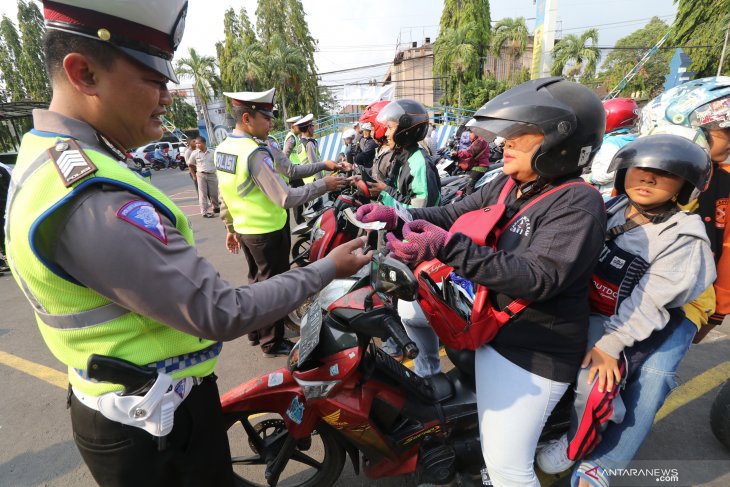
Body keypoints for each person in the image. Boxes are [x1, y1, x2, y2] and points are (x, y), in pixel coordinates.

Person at [2, 2, 371, 485]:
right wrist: (328, 269)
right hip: (154, 424)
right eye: (153, 82)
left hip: (141, 397)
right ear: (85, 73)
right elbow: (220, 311)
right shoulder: (91, 194)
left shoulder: (51, 158)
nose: (167, 99)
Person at [358, 77, 607, 485]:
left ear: (561, 143)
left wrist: (447, 248)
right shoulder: (511, 184)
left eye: (520, 135)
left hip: (533, 352)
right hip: (489, 329)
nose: (506, 143)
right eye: (507, 135)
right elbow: (452, 215)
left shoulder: (578, 203)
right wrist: (399, 218)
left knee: (508, 469)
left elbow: (539, 278)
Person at [538, 77, 730, 487]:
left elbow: (655, 296)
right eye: (717, 133)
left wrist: (611, 343)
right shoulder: (617, 203)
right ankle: (584, 416)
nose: (649, 178)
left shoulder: (685, 228)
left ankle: (600, 465)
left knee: (653, 378)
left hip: (675, 300)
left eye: (666, 172)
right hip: (612, 299)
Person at [215, 89, 351, 357]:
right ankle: (272, 341)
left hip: (245, 229)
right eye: (266, 118)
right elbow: (285, 197)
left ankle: (255, 331)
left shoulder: (224, 149)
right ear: (247, 118)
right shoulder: (253, 153)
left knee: (255, 280)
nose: (271, 124)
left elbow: (224, 194)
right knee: (273, 287)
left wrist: (229, 227)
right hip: (267, 231)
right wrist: (326, 184)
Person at [365, 99, 441, 209]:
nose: (386, 133)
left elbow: (421, 209)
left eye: (390, 128)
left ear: (405, 132)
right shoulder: (402, 156)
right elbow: (394, 187)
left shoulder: (419, 163)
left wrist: (385, 191)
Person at [584, 98, 639, 199]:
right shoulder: (632, 138)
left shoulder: (610, 144)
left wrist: (588, 178)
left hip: (607, 194)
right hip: (624, 192)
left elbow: (608, 174)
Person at [189, 136, 219, 217]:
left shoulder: (213, 152)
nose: (197, 145)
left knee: (214, 193)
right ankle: (204, 212)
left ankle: (216, 207)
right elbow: (190, 165)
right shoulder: (195, 153)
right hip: (201, 175)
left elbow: (218, 163)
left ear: (204, 143)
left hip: (212, 174)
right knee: (203, 194)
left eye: (199, 143)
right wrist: (194, 175)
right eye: (196, 143)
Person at [458, 130, 491, 194]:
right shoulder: (477, 140)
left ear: (475, 132)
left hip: (480, 166)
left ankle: (469, 200)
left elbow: (470, 152)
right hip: (478, 165)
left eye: (470, 133)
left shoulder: (480, 141)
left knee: (470, 184)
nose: (469, 135)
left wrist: (458, 153)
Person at [0, 161, 10, 275]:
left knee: (6, 234)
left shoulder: (2, 170)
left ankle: (10, 258)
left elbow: (10, 187)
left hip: (4, 207)